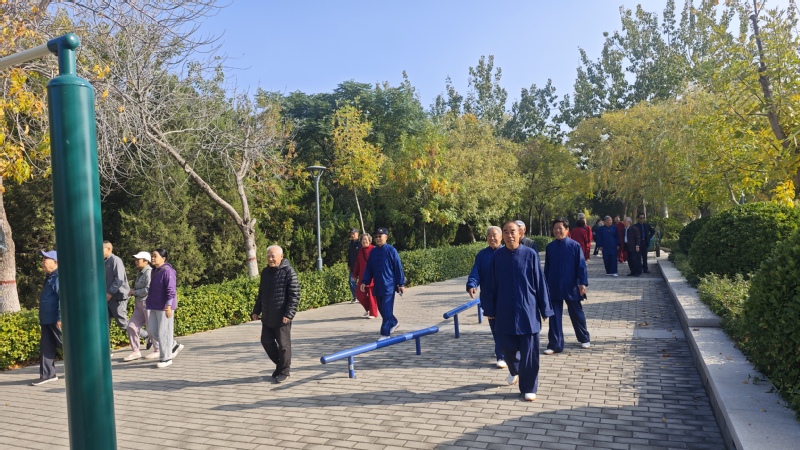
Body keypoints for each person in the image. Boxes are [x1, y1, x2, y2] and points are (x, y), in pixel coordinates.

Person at [483, 221, 554, 402]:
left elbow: (540, 282)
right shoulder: (497, 257)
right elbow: (491, 285)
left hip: (527, 310)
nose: (509, 235)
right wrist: (489, 308)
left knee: (530, 352)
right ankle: (515, 369)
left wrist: (545, 308)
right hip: (504, 310)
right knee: (506, 347)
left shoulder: (530, 254)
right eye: (506, 232)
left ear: (520, 233)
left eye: (512, 231)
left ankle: (529, 387)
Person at [251, 245, 300, 383]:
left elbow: (294, 295)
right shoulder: (265, 272)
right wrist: (256, 311)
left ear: (281, 256)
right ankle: (280, 365)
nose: (270, 259)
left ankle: (285, 371)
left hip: (282, 317)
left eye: (273, 256)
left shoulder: (288, 272)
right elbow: (261, 294)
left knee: (284, 346)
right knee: (266, 341)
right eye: (268, 256)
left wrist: (289, 314)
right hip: (267, 317)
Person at [544, 219, 590, 355]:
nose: (557, 231)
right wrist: (544, 285)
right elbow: (547, 268)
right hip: (554, 285)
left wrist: (582, 283)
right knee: (554, 316)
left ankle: (584, 338)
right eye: (555, 228)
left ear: (567, 229)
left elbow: (581, 266)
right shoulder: (550, 247)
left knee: (576, 314)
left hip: (572, 286)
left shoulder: (575, 246)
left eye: (560, 228)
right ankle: (555, 344)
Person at [466, 226, 506, 369]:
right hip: (489, 298)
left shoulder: (507, 253)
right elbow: (475, 272)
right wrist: (472, 284)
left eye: (495, 235)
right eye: (489, 235)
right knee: (495, 328)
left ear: (501, 237)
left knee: (506, 327)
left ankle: (505, 353)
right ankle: (501, 355)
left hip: (506, 298)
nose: (492, 238)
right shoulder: (482, 255)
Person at [360, 227, 406, 341]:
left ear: (386, 237)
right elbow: (369, 269)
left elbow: (398, 267)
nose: (378, 238)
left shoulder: (391, 250)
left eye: (380, 236)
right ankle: (394, 322)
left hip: (389, 286)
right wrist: (364, 281)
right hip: (378, 285)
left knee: (386, 309)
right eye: (376, 236)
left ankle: (385, 334)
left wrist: (401, 284)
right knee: (381, 309)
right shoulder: (373, 252)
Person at [147, 248, 183, 368]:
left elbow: (171, 290)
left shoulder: (167, 271)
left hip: (164, 307)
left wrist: (168, 306)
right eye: (152, 256)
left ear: (163, 258)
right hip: (154, 305)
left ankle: (166, 358)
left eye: (155, 256)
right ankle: (172, 344)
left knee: (164, 333)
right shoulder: (155, 270)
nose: (152, 258)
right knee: (152, 331)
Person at [31, 250, 61, 386]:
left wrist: (60, 317)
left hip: (55, 320)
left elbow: (62, 298)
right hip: (46, 319)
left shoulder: (58, 277)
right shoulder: (49, 277)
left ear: (55, 262)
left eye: (45, 259)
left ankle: (89, 367)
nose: (42, 262)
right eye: (42, 259)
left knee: (67, 345)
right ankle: (48, 375)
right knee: (46, 347)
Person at [123, 251, 159, 361]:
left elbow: (148, 289)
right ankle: (136, 351)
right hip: (139, 304)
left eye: (138, 259)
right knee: (131, 326)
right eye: (136, 259)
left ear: (146, 261)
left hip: (147, 303)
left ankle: (157, 350)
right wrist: (133, 291)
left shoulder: (149, 272)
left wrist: (134, 292)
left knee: (150, 327)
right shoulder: (140, 272)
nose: (136, 261)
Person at [104, 241, 130, 341]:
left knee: (123, 324)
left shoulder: (115, 260)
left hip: (118, 297)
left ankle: (146, 335)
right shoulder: (105, 261)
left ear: (109, 249)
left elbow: (119, 279)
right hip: (108, 298)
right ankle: (105, 347)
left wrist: (110, 292)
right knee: (104, 323)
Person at [352, 233, 378, 319]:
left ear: (369, 241)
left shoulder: (374, 249)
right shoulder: (360, 251)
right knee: (359, 294)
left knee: (372, 296)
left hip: (372, 277)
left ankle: (373, 313)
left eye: (366, 239)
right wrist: (355, 274)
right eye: (363, 240)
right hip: (362, 277)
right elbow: (358, 264)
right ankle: (368, 309)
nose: (364, 241)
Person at [346, 228, 361, 303]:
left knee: (363, 282)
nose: (352, 235)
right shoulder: (350, 244)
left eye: (353, 233)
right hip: (353, 267)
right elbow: (349, 255)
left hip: (361, 266)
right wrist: (349, 265)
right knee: (351, 282)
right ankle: (356, 296)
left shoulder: (361, 243)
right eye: (351, 234)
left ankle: (363, 296)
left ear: (357, 234)